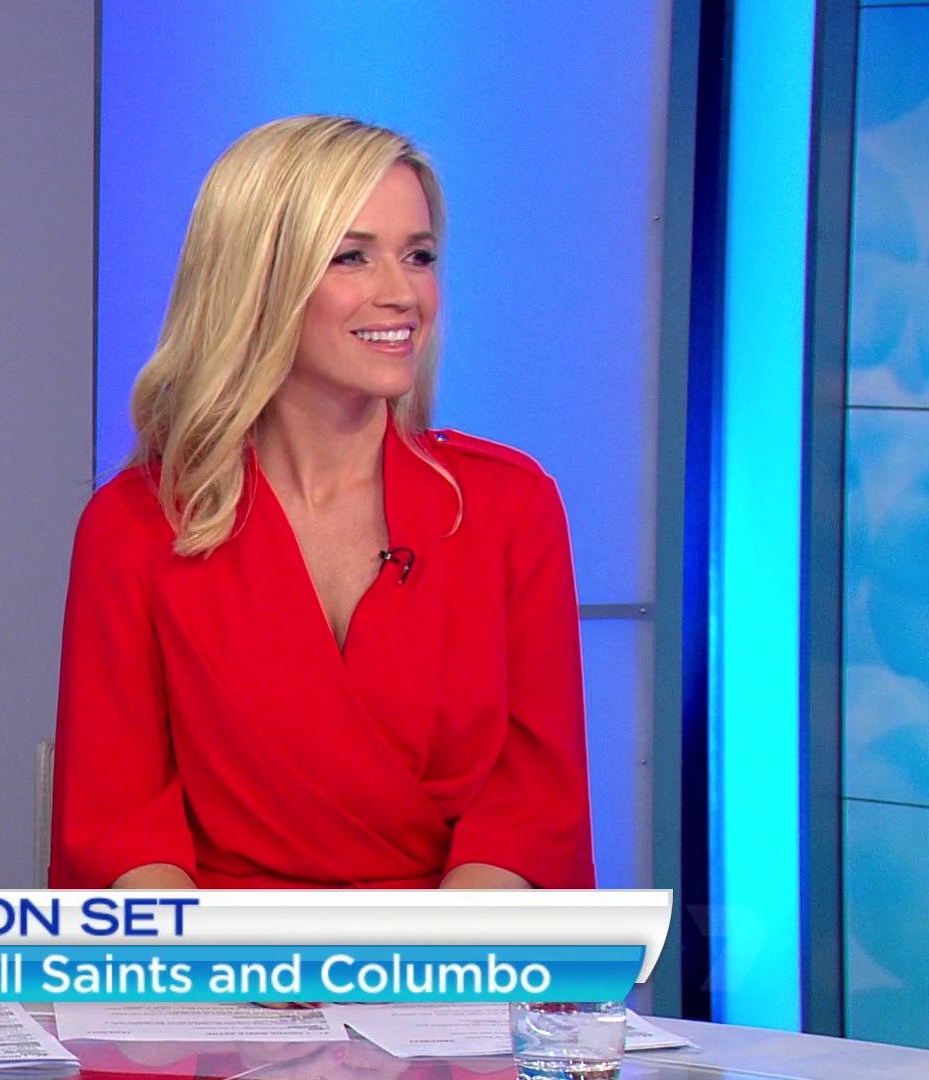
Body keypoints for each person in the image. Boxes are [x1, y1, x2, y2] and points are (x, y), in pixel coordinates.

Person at [50, 116, 594, 891]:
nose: (402, 294)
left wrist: (429, 958)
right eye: (352, 256)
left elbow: (531, 814)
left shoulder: (510, 507)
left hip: (458, 948)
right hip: (214, 956)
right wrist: (239, 964)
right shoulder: (134, 527)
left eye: (418, 256)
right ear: (257, 281)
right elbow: (119, 833)